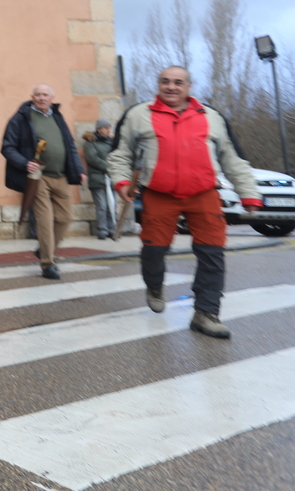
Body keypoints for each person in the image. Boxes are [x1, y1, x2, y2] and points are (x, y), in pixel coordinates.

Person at [108, 66, 260, 339]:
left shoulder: (212, 117)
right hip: (158, 195)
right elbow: (119, 154)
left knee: (212, 253)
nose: (171, 87)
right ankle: (154, 285)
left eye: (178, 82)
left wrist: (248, 193)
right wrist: (121, 183)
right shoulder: (137, 115)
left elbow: (233, 158)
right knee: (154, 251)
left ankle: (206, 313)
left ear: (189, 86)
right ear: (158, 84)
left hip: (204, 195)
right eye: (165, 82)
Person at [1, 83, 85, 279]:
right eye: (38, 95)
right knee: (45, 220)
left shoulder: (57, 116)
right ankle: (48, 263)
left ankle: (44, 249)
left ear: (51, 97)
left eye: (45, 95)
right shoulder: (21, 117)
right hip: (38, 178)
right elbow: (8, 147)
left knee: (65, 218)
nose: (41, 98)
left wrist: (79, 169)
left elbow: (70, 145)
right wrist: (25, 163)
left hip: (61, 175)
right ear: (32, 97)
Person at [82, 118, 115, 240]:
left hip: (111, 179)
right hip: (98, 179)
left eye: (109, 128)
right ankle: (102, 230)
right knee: (102, 206)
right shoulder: (90, 142)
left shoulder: (111, 142)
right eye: (106, 128)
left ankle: (112, 229)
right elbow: (93, 159)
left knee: (112, 205)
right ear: (99, 129)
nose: (108, 130)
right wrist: (109, 167)